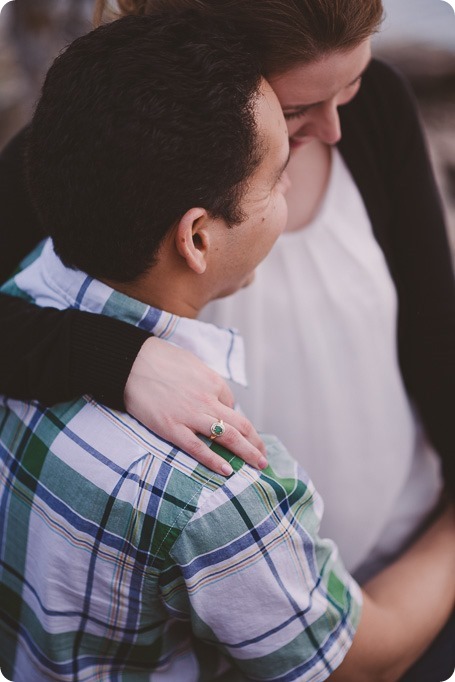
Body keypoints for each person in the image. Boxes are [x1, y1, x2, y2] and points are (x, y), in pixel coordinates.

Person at [1, 10, 455, 682]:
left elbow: (432, 332)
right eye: (301, 105)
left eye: (350, 88)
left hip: (407, 558)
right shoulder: (97, 154)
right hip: (267, 622)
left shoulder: (375, 112)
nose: (333, 127)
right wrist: (113, 358)